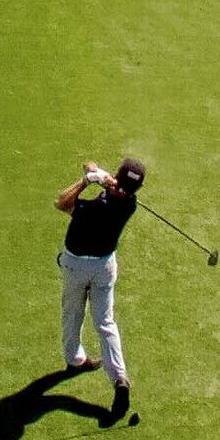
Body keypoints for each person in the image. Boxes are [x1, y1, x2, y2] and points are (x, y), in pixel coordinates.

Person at [53, 155, 146, 423]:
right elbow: (114, 187)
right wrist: (102, 178)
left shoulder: (96, 209)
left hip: (77, 266)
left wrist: (85, 182)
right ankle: (119, 378)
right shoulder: (130, 203)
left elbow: (63, 203)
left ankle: (75, 358)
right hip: (105, 267)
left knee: (72, 312)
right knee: (105, 322)